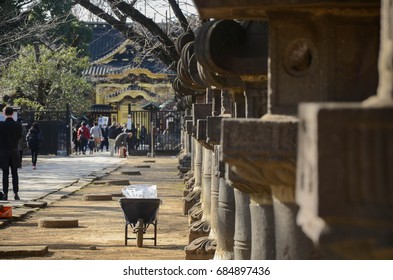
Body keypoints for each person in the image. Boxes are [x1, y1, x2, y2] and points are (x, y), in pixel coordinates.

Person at [0, 106, 22, 200]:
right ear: (13, 113)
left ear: (4, 113)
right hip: (14, 151)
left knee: (5, 174)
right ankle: (16, 193)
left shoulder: (1, 125)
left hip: (3, 152)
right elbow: (19, 137)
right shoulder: (18, 125)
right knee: (15, 173)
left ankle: (5, 194)